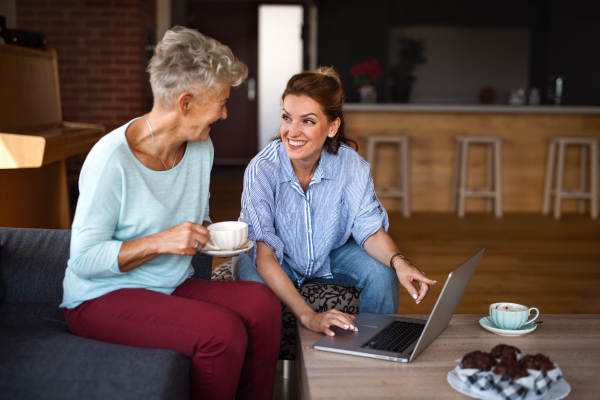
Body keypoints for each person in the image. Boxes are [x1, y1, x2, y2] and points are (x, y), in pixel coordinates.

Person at [60, 27, 280, 400]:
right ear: (186, 103)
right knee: (222, 332)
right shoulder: (111, 159)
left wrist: (214, 237)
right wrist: (162, 241)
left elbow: (199, 216)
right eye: (221, 103)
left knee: (262, 304)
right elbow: (83, 260)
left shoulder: (199, 148)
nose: (225, 114)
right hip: (101, 296)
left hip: (169, 285)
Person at [237, 67, 437, 337]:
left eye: (307, 121)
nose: (291, 131)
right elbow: (265, 256)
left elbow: (370, 229)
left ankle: (373, 349)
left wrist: (400, 262)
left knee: (382, 273)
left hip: (329, 253)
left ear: (332, 127)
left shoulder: (351, 165)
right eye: (287, 117)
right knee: (253, 285)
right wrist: (309, 316)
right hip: (275, 257)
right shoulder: (262, 169)